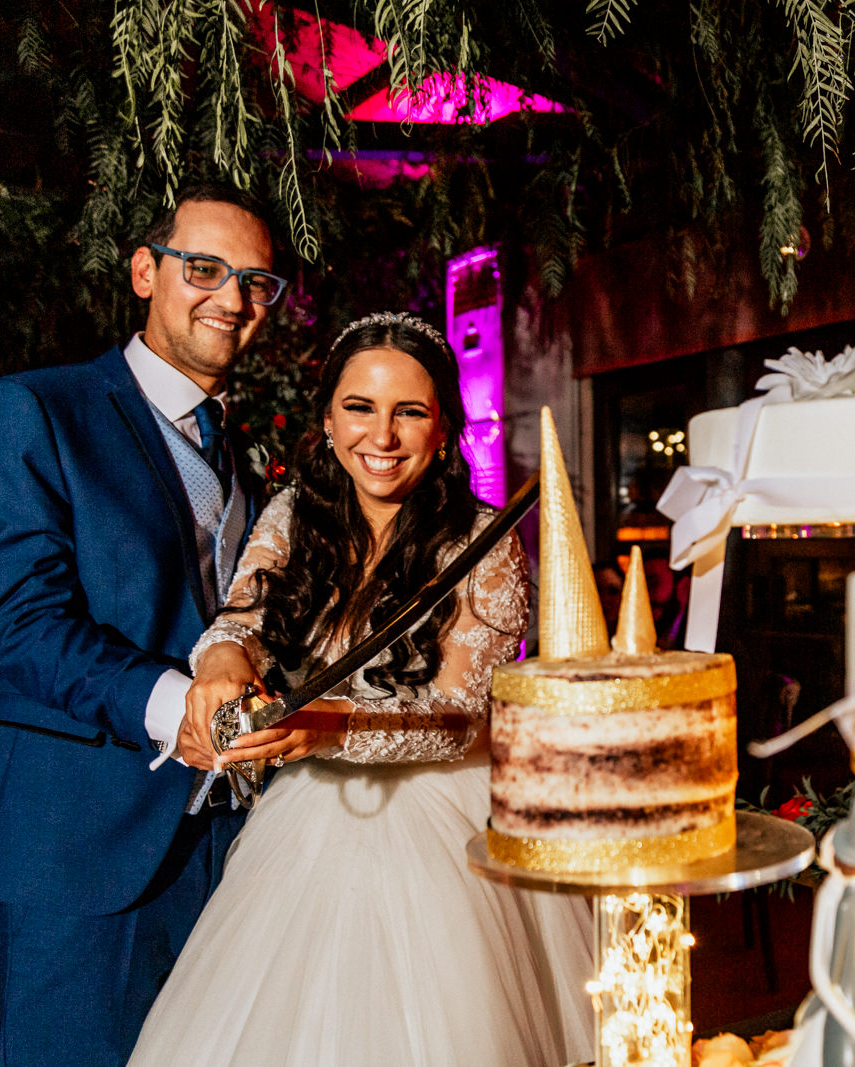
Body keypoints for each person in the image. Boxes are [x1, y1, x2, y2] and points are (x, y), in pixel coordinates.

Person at [128, 313, 596, 1067]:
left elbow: (457, 720)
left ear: (443, 427)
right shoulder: (291, 513)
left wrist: (325, 726)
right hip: (308, 811)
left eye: (409, 411)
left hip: (446, 819)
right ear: (327, 418)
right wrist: (219, 661)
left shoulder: (485, 541)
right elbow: (241, 615)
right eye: (360, 407)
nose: (382, 436)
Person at [0, 184, 279, 1066]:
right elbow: (26, 629)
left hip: (224, 846)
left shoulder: (237, 449)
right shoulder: (31, 410)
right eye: (205, 269)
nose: (232, 299)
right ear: (143, 271)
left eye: (256, 281)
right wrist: (179, 707)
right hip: (77, 852)